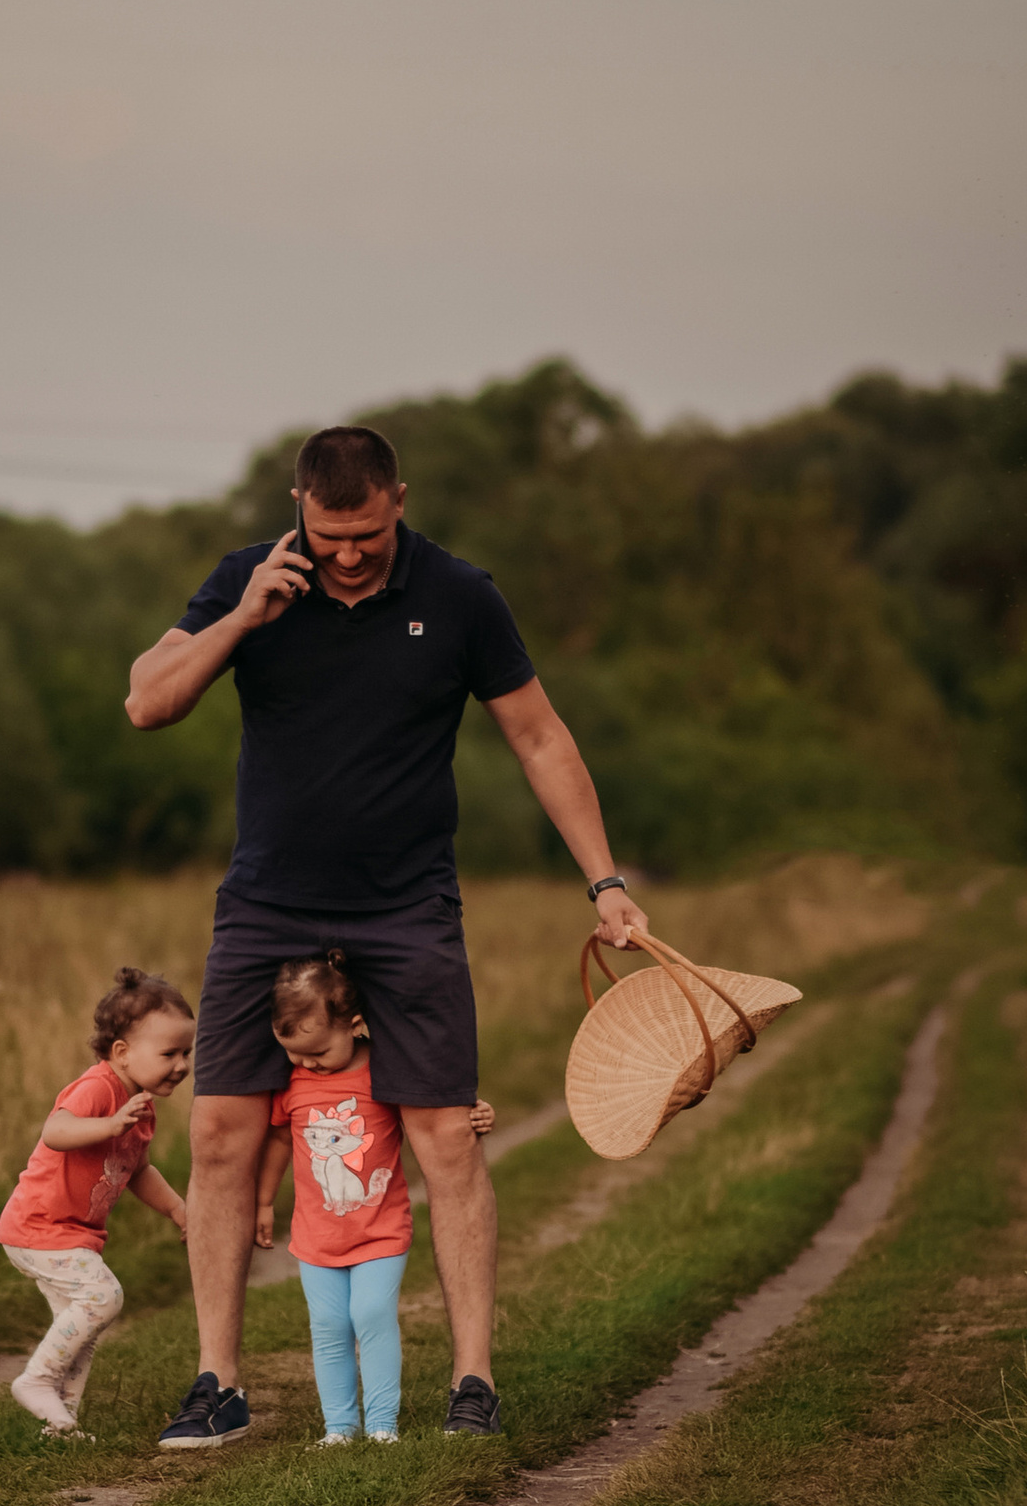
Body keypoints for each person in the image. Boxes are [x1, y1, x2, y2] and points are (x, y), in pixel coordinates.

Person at [126, 422, 652, 1453]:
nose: (350, 552)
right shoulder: (248, 581)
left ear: (398, 501)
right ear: (298, 510)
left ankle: (472, 1384)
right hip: (267, 905)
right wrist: (243, 619)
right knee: (224, 1134)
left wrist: (605, 882)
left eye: (366, 531)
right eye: (329, 534)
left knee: (444, 1139)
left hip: (405, 908)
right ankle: (217, 1383)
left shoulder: (459, 596)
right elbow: (148, 702)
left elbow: (540, 737)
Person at [255, 947, 495, 1444]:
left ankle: (382, 1426)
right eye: (295, 1053)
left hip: (380, 1228)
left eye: (318, 1052)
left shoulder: (386, 1071)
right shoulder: (294, 1083)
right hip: (316, 1235)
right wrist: (262, 1202)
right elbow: (280, 1139)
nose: (306, 1064)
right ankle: (340, 1428)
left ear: (354, 1024)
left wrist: (474, 1115)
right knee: (327, 1325)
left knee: (369, 1314)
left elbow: (432, 1119)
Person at [0, 967, 195, 1433]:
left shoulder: (139, 1106)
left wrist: (177, 1208)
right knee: (103, 1296)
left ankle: (60, 1423)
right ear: (122, 1053)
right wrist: (108, 1124)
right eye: (169, 1053)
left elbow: (138, 1170)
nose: (182, 1065)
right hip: (40, 1227)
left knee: (80, 1330)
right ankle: (35, 1381)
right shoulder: (98, 1088)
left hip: (71, 1235)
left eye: (187, 1052)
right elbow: (56, 1132)